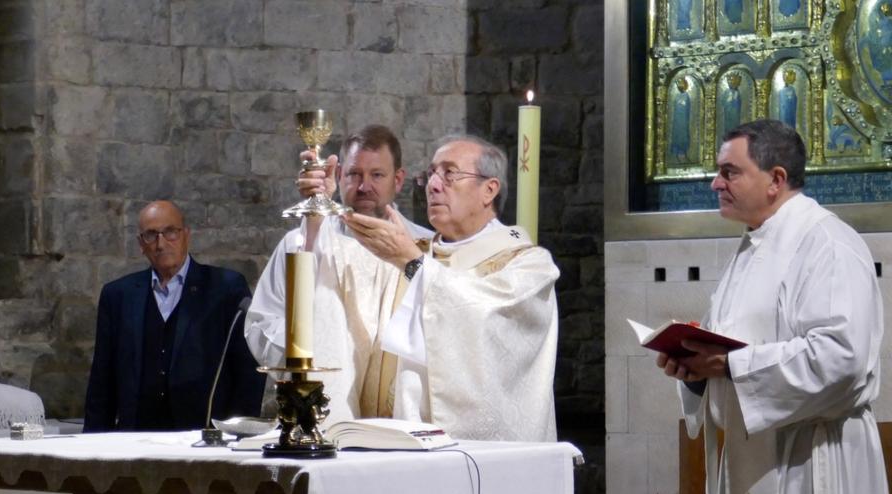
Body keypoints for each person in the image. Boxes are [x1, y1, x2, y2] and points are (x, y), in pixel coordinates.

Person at [655, 120, 892, 494]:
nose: (715, 182)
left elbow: (844, 357)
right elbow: (730, 351)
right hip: (752, 463)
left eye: (729, 170)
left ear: (776, 178)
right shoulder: (750, 249)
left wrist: (733, 365)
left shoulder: (828, 243)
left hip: (810, 467)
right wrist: (693, 371)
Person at [247, 133, 559, 441]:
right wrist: (319, 211)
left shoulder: (527, 265)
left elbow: (482, 324)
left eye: (450, 174)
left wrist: (413, 263)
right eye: (432, 174)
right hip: (394, 447)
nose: (434, 186)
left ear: (489, 190)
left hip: (479, 459)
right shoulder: (413, 251)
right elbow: (332, 292)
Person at [83, 200, 265, 432]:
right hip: (135, 435)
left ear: (186, 235)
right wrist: (95, 443)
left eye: (170, 232)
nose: (161, 243)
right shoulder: (118, 295)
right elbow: (102, 379)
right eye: (151, 235)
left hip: (202, 434)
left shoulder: (224, 288)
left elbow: (247, 369)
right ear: (141, 244)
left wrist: (239, 433)